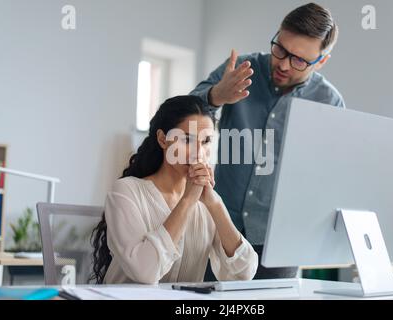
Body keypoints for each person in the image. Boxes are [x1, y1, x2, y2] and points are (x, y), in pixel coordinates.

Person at [190, 3, 345, 279]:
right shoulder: (239, 69)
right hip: (218, 229)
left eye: (298, 60)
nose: (283, 64)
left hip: (280, 243)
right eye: (281, 49)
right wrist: (216, 95)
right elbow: (181, 116)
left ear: (321, 61)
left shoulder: (330, 102)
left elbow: (329, 178)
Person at [90, 95, 258, 284]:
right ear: (163, 140)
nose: (199, 153)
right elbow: (145, 272)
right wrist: (187, 201)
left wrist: (215, 203)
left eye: (206, 141)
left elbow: (244, 272)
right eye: (187, 140)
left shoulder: (208, 203)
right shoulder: (125, 191)